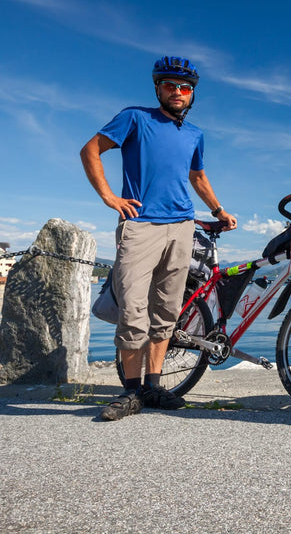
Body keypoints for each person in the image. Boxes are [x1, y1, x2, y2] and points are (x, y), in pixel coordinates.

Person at [80, 56, 237, 421]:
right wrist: (109, 198)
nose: (178, 92)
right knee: (133, 310)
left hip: (182, 227)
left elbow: (197, 177)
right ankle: (130, 392)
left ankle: (153, 387)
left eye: (185, 88)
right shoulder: (135, 118)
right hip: (141, 225)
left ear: (192, 94)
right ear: (158, 88)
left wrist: (217, 210)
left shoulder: (195, 134)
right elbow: (90, 150)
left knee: (167, 310)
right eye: (170, 86)